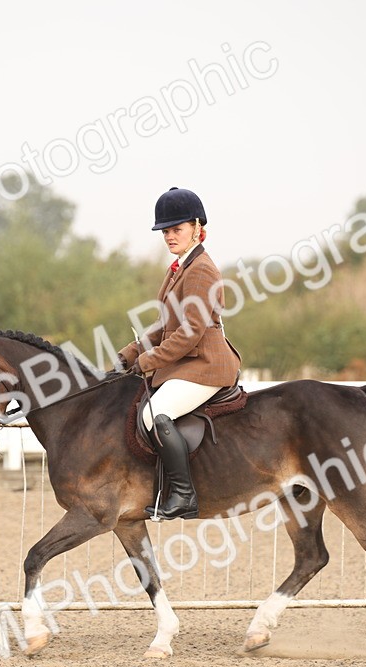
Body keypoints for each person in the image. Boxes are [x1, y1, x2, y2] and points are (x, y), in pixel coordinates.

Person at [116, 187, 242, 520]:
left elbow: (189, 333)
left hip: (207, 364)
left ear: (197, 228)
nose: (170, 236)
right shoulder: (180, 267)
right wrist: (131, 352)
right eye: (166, 231)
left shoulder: (200, 270)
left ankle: (184, 495)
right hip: (190, 363)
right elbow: (166, 324)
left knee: (154, 414)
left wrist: (147, 361)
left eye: (177, 229)